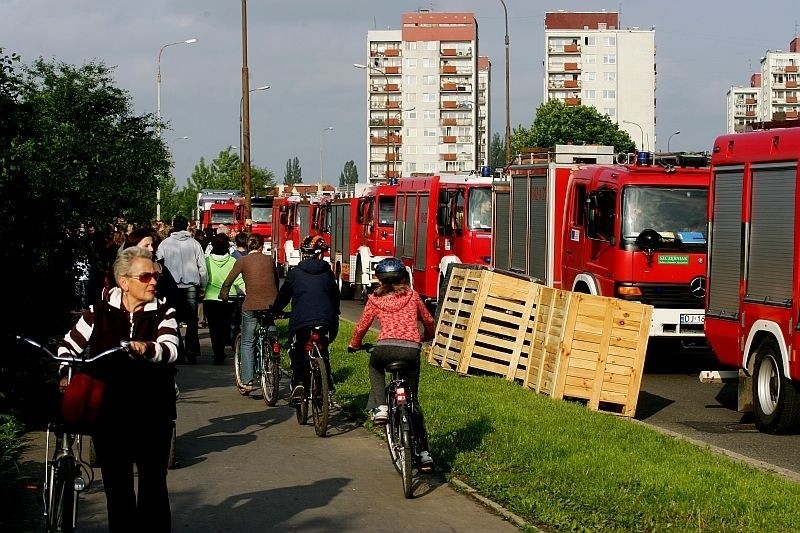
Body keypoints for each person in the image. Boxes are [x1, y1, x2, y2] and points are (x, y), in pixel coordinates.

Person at [58, 246, 179, 531]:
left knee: (153, 486)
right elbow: (68, 346)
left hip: (153, 412)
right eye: (145, 276)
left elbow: (171, 349)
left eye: (155, 276)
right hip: (109, 414)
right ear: (124, 282)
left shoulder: (164, 312)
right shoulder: (96, 313)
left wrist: (146, 347)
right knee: (117, 489)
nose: (153, 282)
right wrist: (66, 371)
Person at [347, 256, 435, 472]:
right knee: (412, 402)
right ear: (403, 277)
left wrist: (354, 345)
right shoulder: (413, 296)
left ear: (379, 280)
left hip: (384, 349)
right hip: (411, 351)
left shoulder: (375, 300)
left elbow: (361, 327)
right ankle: (424, 454)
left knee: (374, 367)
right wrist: (425, 337)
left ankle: (382, 408)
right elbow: (429, 321)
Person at [271, 235, 340, 404]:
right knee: (322, 350)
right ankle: (327, 384)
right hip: (326, 320)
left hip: (301, 320)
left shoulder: (296, 273)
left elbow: (284, 296)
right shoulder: (328, 274)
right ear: (321, 254)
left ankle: (300, 383)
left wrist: (275, 311)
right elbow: (334, 296)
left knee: (298, 350)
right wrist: (334, 312)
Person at [219, 233, 279, 390]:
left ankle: (247, 381)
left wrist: (224, 296)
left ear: (247, 247)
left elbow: (228, 282)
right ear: (261, 247)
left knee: (247, 341)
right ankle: (273, 350)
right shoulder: (270, 260)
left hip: (251, 305)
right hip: (270, 305)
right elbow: (276, 280)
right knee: (270, 329)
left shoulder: (242, 261)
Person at [156, 215, 207, 365]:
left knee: (173, 319)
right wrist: (203, 285)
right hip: (191, 284)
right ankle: (192, 350)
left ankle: (178, 351)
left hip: (172, 286)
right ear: (187, 226)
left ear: (173, 225)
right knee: (192, 320)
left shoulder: (165, 244)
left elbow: (158, 264)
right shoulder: (194, 244)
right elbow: (202, 267)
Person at [204, 233, 245, 365]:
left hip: (210, 298)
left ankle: (217, 352)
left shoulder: (207, 261)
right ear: (228, 247)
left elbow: (203, 279)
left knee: (213, 327)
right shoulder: (233, 262)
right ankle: (222, 349)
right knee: (225, 325)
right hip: (229, 298)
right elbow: (239, 281)